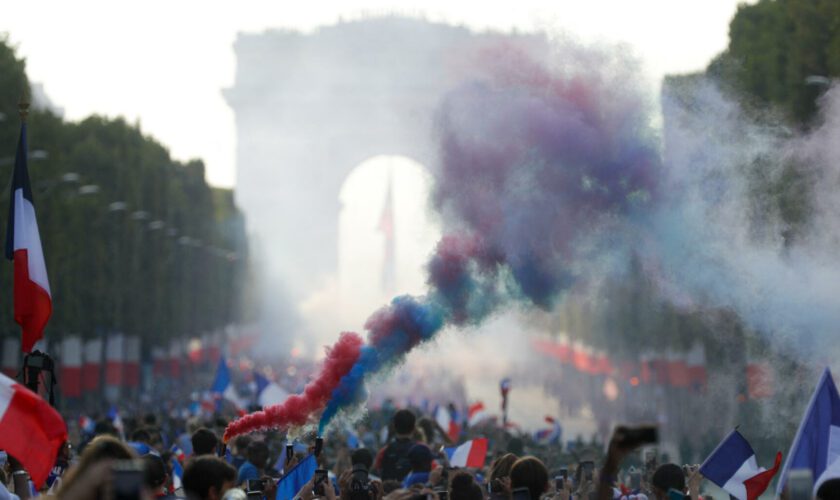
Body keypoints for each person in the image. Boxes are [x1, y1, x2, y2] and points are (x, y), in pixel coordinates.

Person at [374, 410, 417, 481]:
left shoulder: (384, 451)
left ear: (394, 426)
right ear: (414, 427)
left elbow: (376, 470)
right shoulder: (422, 449)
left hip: (388, 491)